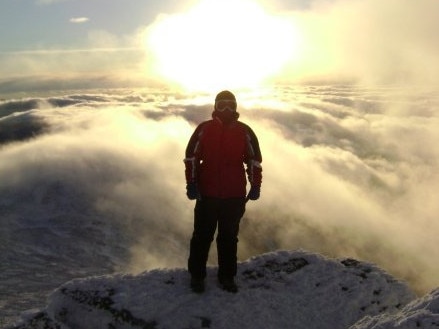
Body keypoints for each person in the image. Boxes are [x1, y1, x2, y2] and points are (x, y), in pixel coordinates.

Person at [184, 90, 263, 293]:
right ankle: (197, 276)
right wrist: (191, 183)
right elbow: (191, 157)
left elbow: (254, 161)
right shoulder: (204, 129)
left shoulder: (244, 131)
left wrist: (255, 185)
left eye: (230, 105)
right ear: (215, 107)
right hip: (207, 194)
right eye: (222, 105)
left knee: (228, 238)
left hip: (234, 196)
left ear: (236, 107)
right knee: (202, 236)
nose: (226, 109)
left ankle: (227, 277)